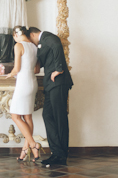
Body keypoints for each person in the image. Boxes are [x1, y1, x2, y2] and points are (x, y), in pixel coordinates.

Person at [29, 27, 73, 166]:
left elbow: (56, 44)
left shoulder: (48, 37)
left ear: (33, 34)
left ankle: (61, 156)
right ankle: (56, 153)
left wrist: (59, 69)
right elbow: (40, 63)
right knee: (47, 115)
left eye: (31, 40)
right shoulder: (43, 44)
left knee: (60, 118)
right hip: (50, 85)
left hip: (58, 83)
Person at [5, 26, 43, 162]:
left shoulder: (18, 45)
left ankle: (33, 144)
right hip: (32, 83)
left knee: (15, 116)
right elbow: (37, 69)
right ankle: (27, 151)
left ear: (16, 34)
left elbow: (17, 68)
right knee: (27, 117)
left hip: (23, 84)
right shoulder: (34, 46)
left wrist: (9, 74)